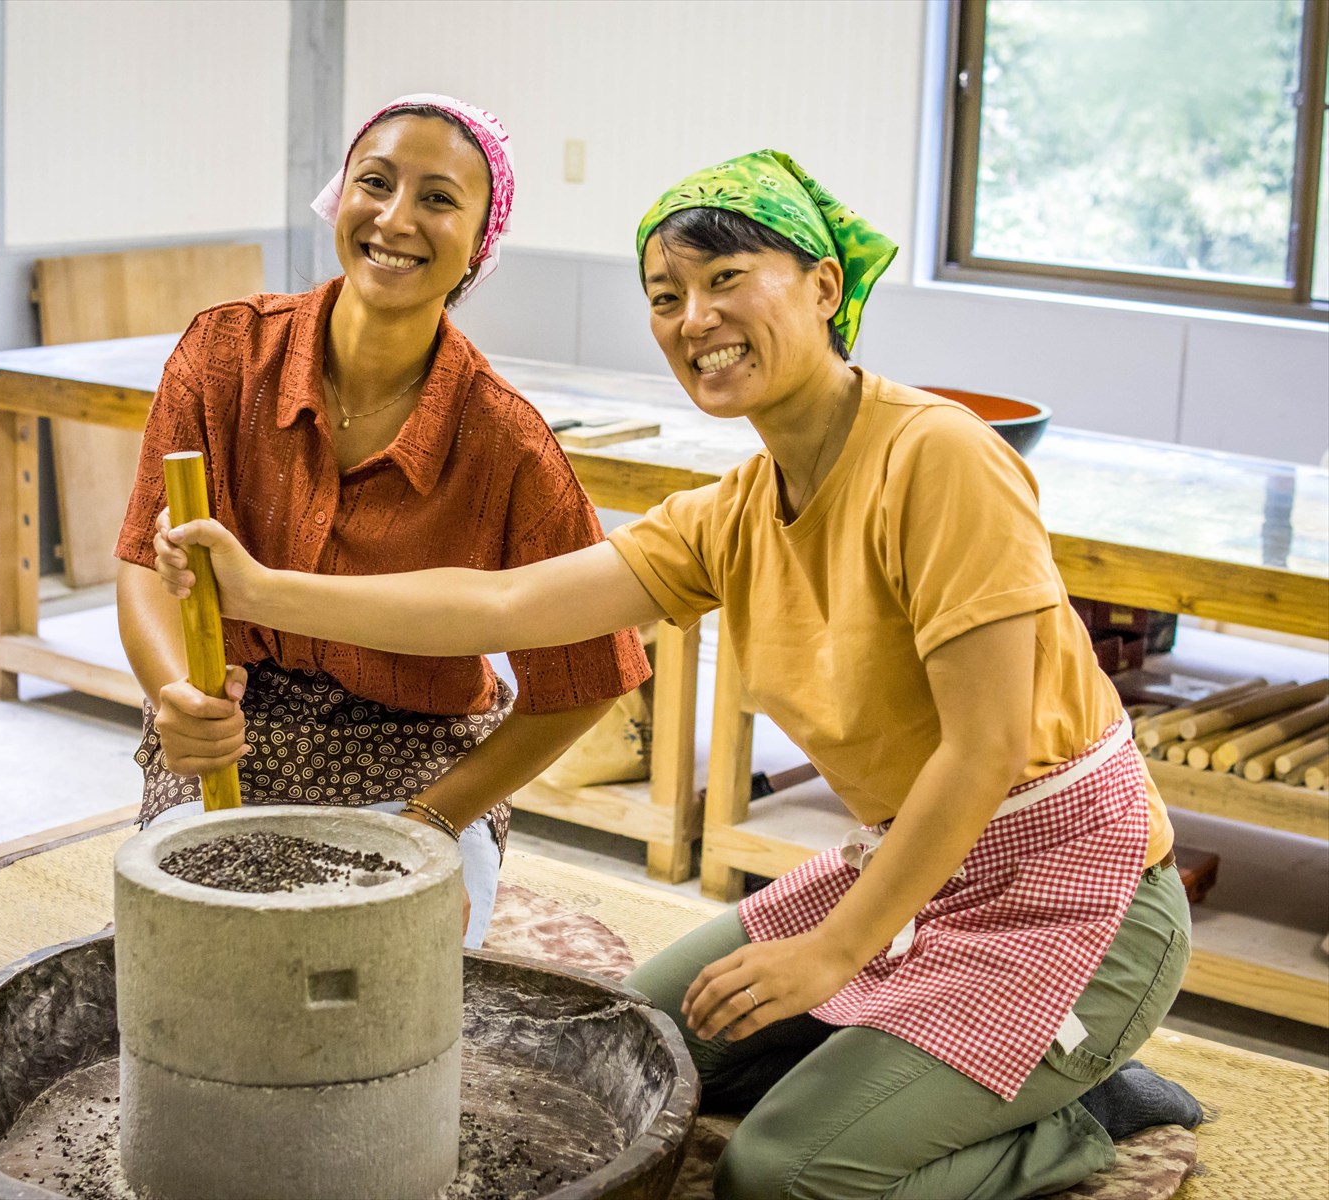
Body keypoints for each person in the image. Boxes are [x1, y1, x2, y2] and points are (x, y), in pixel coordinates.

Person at [151, 149, 1206, 1199]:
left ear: (825, 286)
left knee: (782, 1174)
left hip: (1074, 891)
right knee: (624, 1045)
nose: (692, 317)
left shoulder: (940, 456)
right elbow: (505, 603)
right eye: (666, 296)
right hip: (917, 865)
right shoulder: (736, 508)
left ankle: (1069, 1121)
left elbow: (981, 753)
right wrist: (259, 591)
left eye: (725, 279)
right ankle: (904, 1059)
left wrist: (834, 951)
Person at [115, 94, 650, 950]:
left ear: (481, 244)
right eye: (376, 182)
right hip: (236, 732)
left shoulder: (504, 441)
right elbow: (147, 556)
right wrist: (175, 689)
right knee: (201, 962)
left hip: (421, 752)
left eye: (439, 198)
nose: (396, 219)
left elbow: (590, 677)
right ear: (340, 196)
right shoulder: (224, 355)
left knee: (389, 982)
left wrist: (436, 818)